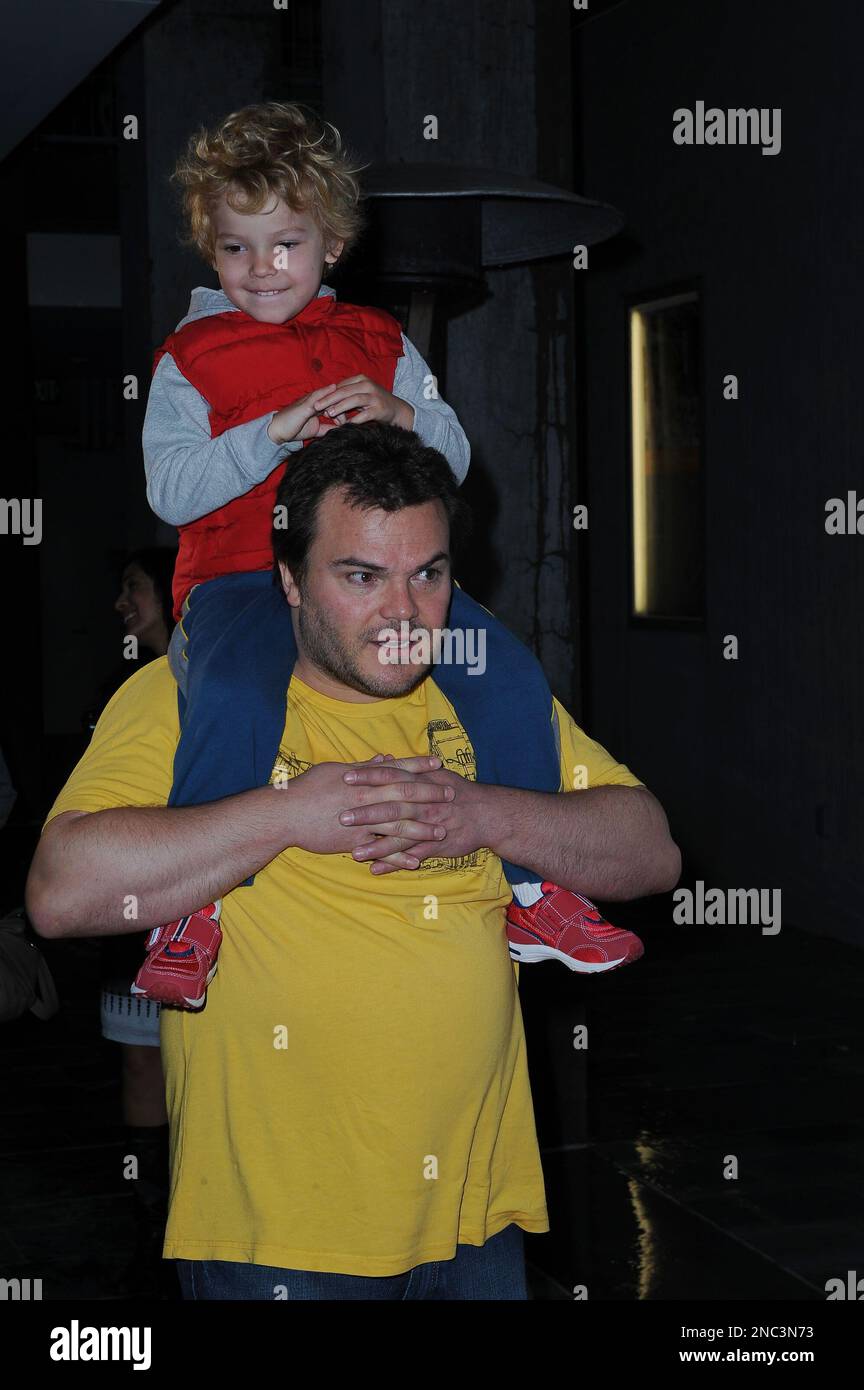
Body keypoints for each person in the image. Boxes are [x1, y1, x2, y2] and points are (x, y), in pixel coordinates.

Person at [26, 424, 680, 1301]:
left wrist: (478, 813)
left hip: (475, 1220)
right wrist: (293, 814)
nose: (406, 614)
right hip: (280, 1241)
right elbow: (63, 895)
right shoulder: (184, 697)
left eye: (430, 574)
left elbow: (650, 852)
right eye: (362, 576)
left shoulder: (487, 704)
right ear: (291, 580)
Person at [134, 98, 643, 1009]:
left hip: (373, 589)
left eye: (283, 243)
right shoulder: (191, 357)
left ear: (331, 243)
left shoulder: (379, 339)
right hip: (238, 581)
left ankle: (534, 890)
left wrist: (402, 413)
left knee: (507, 671)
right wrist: (270, 435)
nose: (260, 269)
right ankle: (190, 908)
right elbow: (169, 490)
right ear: (209, 249)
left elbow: (450, 454)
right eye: (235, 247)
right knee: (241, 691)